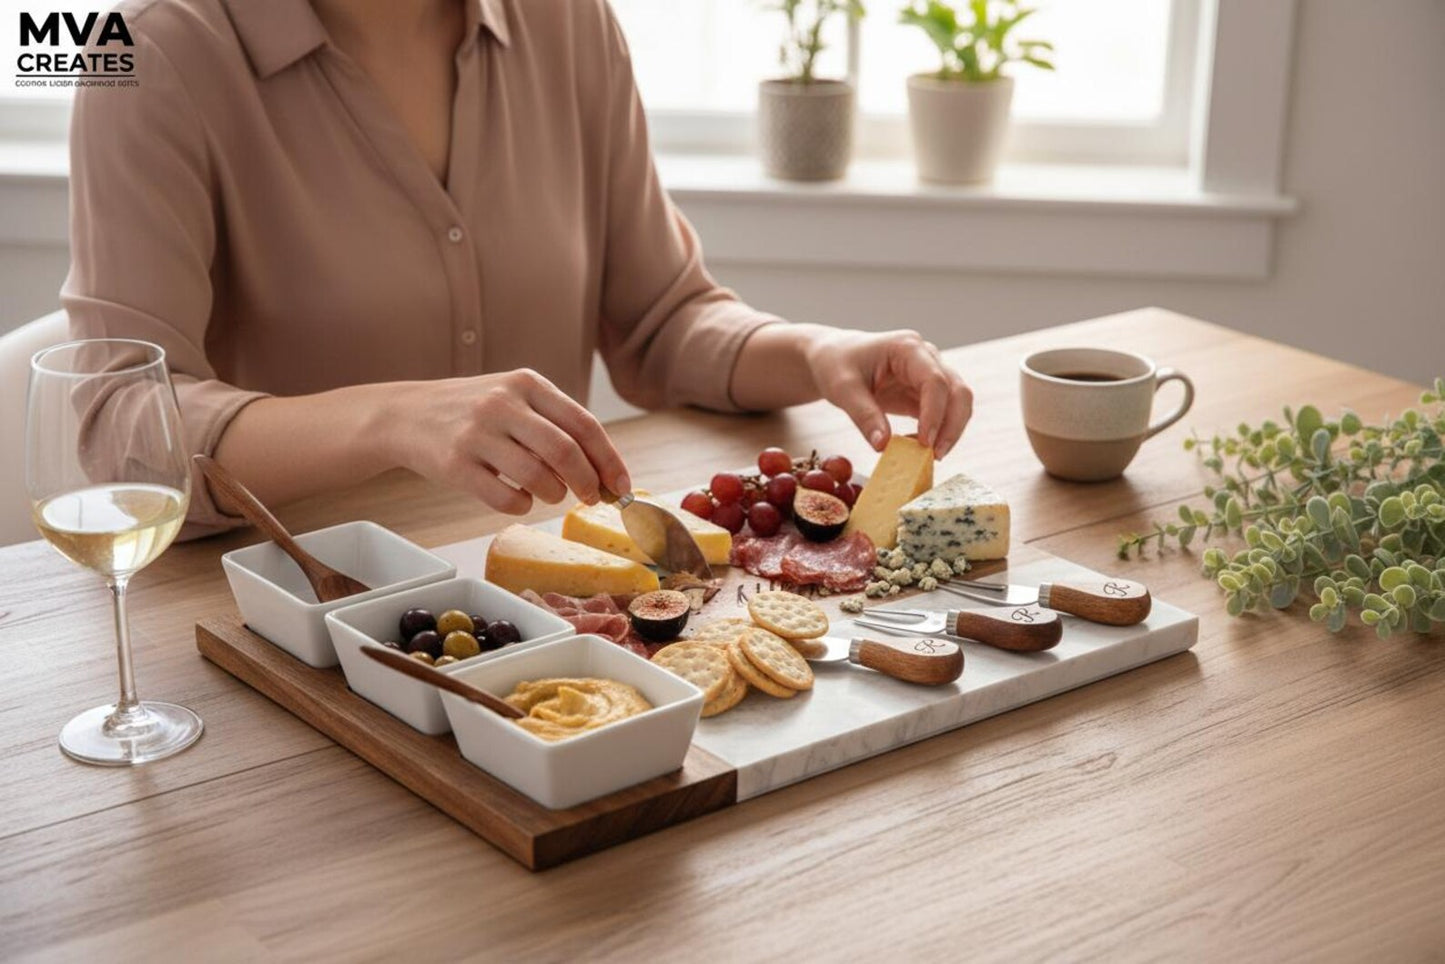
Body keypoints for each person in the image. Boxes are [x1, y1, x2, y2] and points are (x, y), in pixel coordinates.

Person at [64, 0, 972, 538]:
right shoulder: (139, 49)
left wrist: (815, 353)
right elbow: (121, 425)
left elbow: (662, 320)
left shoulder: (566, 18)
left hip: (544, 619)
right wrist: (393, 418)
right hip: (285, 618)